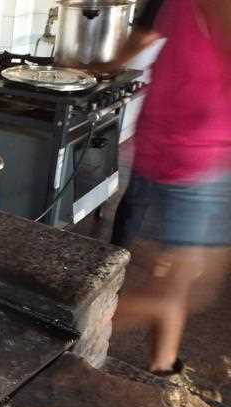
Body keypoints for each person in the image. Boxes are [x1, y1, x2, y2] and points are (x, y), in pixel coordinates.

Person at [98, 0, 231, 378]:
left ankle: (163, 368)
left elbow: (143, 35)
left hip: (167, 145)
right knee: (182, 289)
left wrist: (105, 67)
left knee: (173, 280)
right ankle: (66, 331)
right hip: (197, 158)